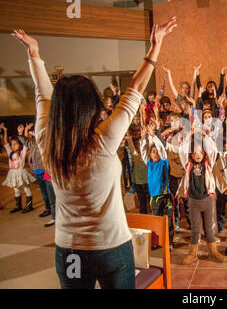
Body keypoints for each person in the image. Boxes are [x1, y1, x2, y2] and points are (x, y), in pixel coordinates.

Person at [11, 18, 177, 289]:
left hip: (69, 249)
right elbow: (135, 89)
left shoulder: (47, 140)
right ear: (92, 105)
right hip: (111, 247)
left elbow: (42, 95)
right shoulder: (103, 140)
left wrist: (34, 55)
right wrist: (155, 47)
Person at [178, 133, 227, 264]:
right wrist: (189, 135)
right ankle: (193, 253)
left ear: (204, 153)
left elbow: (213, 150)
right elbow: (182, 151)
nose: (197, 155)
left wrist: (206, 136)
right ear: (191, 155)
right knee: (195, 229)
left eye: (200, 152)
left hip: (207, 201)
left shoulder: (208, 164)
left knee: (209, 228)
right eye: (194, 153)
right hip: (193, 202)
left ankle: (213, 252)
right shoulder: (188, 165)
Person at [0, 122, 35, 213]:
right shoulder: (10, 153)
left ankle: (29, 206)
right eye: (12, 144)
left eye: (15, 144)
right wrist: (5, 131)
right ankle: (18, 205)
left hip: (21, 172)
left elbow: (26, 142)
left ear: (19, 145)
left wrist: (24, 132)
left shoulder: (22, 152)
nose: (13, 146)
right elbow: (5, 143)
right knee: (16, 189)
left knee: (26, 188)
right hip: (13, 173)